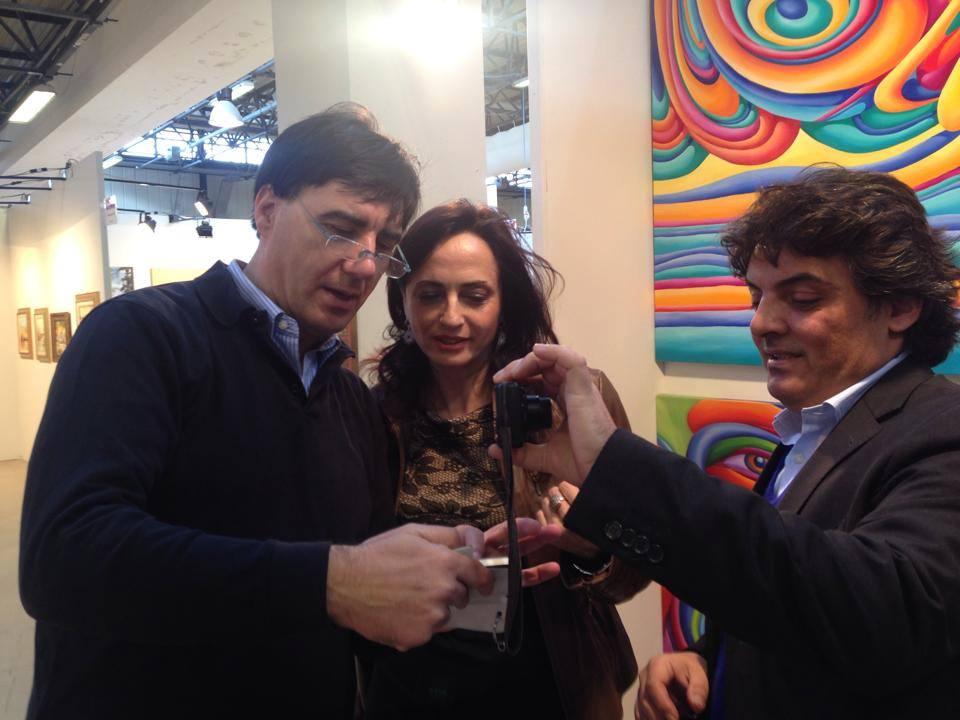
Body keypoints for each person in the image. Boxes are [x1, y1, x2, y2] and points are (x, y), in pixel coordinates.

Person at [18, 105, 558, 720]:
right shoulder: (143, 336)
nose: (363, 264)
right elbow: (64, 558)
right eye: (341, 228)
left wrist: (469, 576)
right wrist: (332, 581)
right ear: (267, 209)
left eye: (383, 244)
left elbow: (366, 582)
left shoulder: (349, 399)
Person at [492, 168, 960, 719]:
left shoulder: (941, 430)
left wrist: (616, 463)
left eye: (802, 297)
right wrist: (705, 658)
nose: (762, 323)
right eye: (758, 296)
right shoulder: (814, 429)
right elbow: (785, 591)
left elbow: (880, 616)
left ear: (900, 307)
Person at [361, 199, 647, 719]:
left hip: (546, 685)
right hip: (408, 688)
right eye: (430, 294)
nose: (451, 317)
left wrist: (587, 547)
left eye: (474, 296)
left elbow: (636, 565)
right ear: (403, 301)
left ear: (503, 303)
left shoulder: (569, 403)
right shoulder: (378, 413)